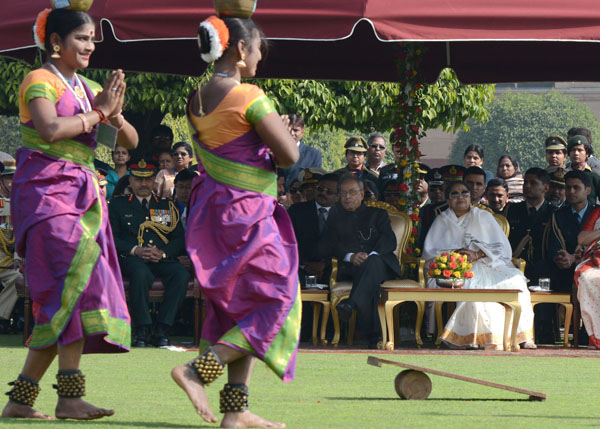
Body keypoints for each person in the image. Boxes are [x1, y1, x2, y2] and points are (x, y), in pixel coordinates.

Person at [3, 5, 138, 421]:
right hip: (47, 199)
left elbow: (129, 140)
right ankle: (68, 396)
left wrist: (113, 112)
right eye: (82, 38)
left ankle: (23, 400)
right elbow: (49, 130)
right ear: (56, 42)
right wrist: (98, 113)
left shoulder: (88, 86)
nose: (90, 45)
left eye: (93, 38)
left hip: (80, 199)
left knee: (65, 294)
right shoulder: (38, 80)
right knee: (72, 290)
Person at [170, 11, 300, 428]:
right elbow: (288, 157)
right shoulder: (249, 96)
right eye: (259, 48)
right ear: (242, 49)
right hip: (247, 212)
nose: (261, 56)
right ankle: (197, 371)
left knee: (236, 306)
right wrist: (284, 133)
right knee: (276, 297)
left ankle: (236, 411)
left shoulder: (196, 98)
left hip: (214, 212)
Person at [423, 181, 535, 350]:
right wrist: (455, 257)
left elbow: (502, 249)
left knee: (517, 281)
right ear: (448, 199)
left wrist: (478, 254)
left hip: (487, 263)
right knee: (472, 285)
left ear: (471, 196)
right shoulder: (442, 220)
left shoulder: (483, 216)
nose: (460, 197)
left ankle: (521, 336)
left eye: (464, 193)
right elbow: (431, 253)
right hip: (457, 269)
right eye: (455, 194)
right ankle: (477, 337)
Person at [109, 158, 190, 348]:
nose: (143, 184)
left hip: (159, 257)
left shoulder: (165, 205)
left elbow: (179, 238)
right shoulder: (118, 205)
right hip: (130, 257)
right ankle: (142, 329)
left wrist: (162, 253)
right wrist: (136, 250)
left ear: (154, 179)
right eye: (138, 179)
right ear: (130, 181)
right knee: (140, 272)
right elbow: (111, 237)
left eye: (147, 180)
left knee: (181, 274)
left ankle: (162, 327)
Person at [319, 176, 402, 348]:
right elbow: (329, 244)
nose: (347, 197)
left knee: (372, 265)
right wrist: (350, 256)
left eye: (352, 192)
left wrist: (371, 254)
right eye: (343, 193)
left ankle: (351, 304)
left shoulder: (378, 214)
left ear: (362, 194)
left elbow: (389, 241)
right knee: (370, 281)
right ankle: (376, 335)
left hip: (381, 265)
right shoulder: (335, 216)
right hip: (350, 267)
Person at [545, 170, 595, 343]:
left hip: (592, 265)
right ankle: (547, 332)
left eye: (576, 188)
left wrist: (576, 258)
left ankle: (587, 331)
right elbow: (553, 243)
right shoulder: (559, 215)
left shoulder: (596, 214)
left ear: (587, 190)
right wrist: (560, 257)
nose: (571, 192)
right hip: (565, 269)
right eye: (568, 188)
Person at [506, 168, 554, 285]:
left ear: (546, 188)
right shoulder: (511, 210)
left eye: (533, 183)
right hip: (513, 268)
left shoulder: (553, 213)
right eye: (525, 182)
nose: (527, 186)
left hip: (543, 270)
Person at [0, 159, 24, 334]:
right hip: (1, 261)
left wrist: (16, 258)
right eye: (8, 178)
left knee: (21, 275)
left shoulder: (21, 203)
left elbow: (21, 237)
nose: (12, 182)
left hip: (14, 259)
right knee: (17, 277)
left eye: (14, 177)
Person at [574, 206, 600, 350]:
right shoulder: (598, 212)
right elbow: (582, 238)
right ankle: (597, 337)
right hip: (596, 262)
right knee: (588, 279)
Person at [281, 114, 322, 188]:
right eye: (288, 130)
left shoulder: (314, 155)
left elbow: (315, 184)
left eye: (295, 130)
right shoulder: (274, 151)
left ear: (302, 132)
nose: (292, 133)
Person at [566, 134, 600, 204]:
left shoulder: (594, 175)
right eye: (573, 150)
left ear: (587, 153)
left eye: (580, 150)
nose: (576, 153)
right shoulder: (564, 173)